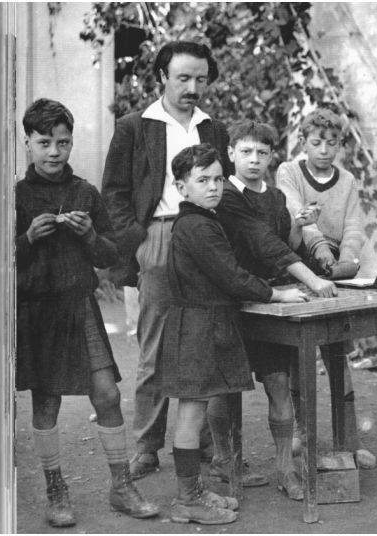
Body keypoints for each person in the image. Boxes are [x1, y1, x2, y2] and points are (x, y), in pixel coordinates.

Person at [16, 99, 159, 528]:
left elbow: (110, 254)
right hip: (37, 312)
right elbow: (3, 258)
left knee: (108, 395)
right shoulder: (16, 195)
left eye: (63, 142)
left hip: (80, 309)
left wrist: (90, 232)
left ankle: (121, 486)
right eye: (44, 143)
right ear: (28, 144)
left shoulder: (84, 193)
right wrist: (27, 237)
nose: (55, 152)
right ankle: (55, 489)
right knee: (46, 402)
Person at [156, 143, 308, 524]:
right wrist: (276, 292)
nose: (213, 187)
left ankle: (194, 492)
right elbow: (230, 276)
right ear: (180, 187)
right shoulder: (197, 226)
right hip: (197, 327)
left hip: (203, 324)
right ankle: (187, 499)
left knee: (198, 409)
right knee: (191, 413)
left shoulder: (204, 221)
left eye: (218, 179)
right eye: (202, 180)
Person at [101, 41, 232, 480]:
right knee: (154, 344)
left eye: (200, 79)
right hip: (157, 237)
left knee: (206, 339)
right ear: (161, 77)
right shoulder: (135, 126)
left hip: (205, 238)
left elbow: (224, 189)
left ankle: (206, 442)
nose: (192, 87)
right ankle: (147, 445)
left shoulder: (213, 128)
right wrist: (141, 244)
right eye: (183, 78)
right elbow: (115, 195)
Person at [206, 120, 338, 501]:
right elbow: (262, 244)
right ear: (231, 154)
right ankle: (224, 459)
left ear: (271, 157)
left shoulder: (277, 197)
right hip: (230, 301)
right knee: (223, 389)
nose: (253, 160)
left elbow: (286, 245)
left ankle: (285, 468)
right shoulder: (226, 195)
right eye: (245, 152)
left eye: (262, 153)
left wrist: (299, 227)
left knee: (278, 384)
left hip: (270, 302)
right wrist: (313, 282)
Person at [276, 108, 377, 469]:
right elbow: (296, 214)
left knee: (339, 353)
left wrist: (347, 259)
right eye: (316, 142)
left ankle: (349, 440)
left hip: (337, 271)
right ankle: (303, 432)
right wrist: (320, 252)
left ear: (340, 145)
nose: (323, 149)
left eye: (331, 143)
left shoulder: (347, 179)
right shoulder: (288, 172)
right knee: (299, 356)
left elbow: (353, 223)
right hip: (301, 267)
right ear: (303, 142)